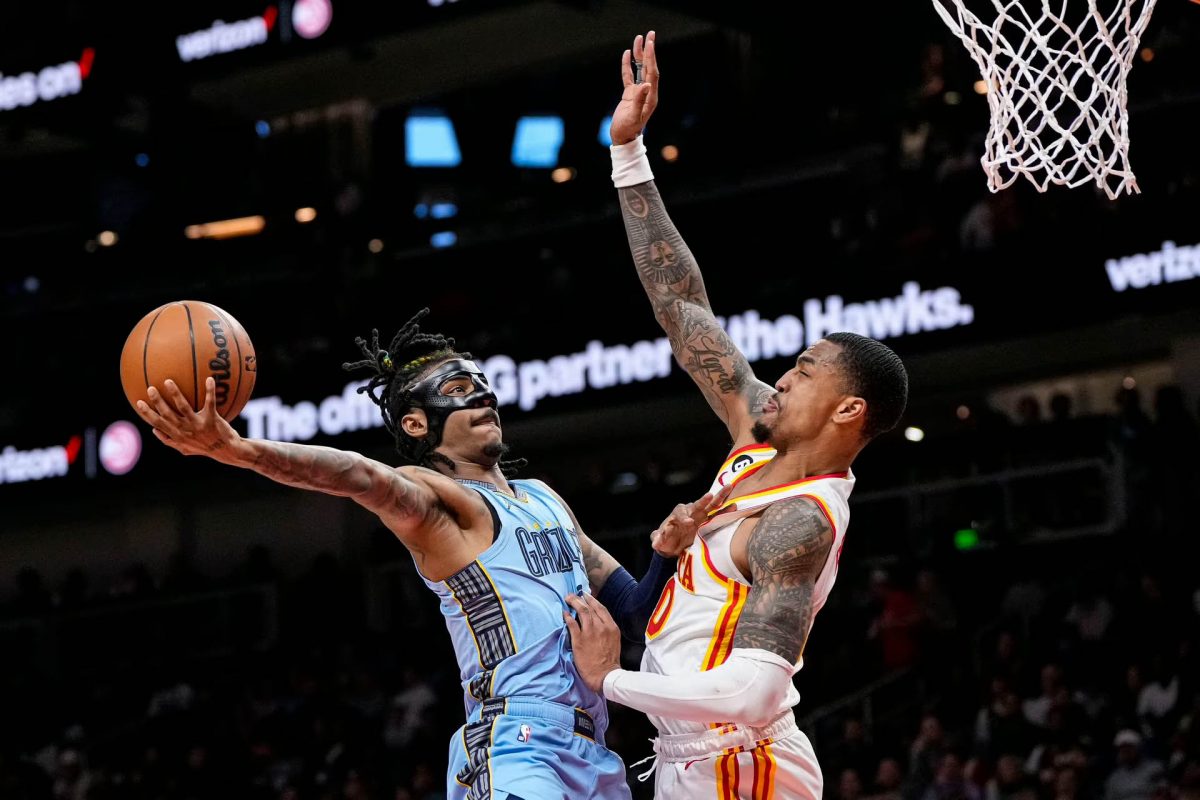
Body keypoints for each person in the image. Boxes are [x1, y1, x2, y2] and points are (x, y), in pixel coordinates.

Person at [133, 307, 694, 800]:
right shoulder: (440, 505)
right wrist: (241, 450)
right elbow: (357, 475)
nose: (482, 396)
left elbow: (641, 617)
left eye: (481, 383)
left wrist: (666, 556)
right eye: (456, 390)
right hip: (518, 748)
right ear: (415, 423)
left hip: (596, 753)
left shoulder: (546, 501)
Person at [565, 31, 910, 799]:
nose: (780, 378)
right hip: (699, 757)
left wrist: (610, 681)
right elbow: (682, 304)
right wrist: (629, 154)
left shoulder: (801, 522)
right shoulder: (757, 434)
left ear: (849, 409)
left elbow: (753, 695)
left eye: (805, 371)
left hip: (740, 758)